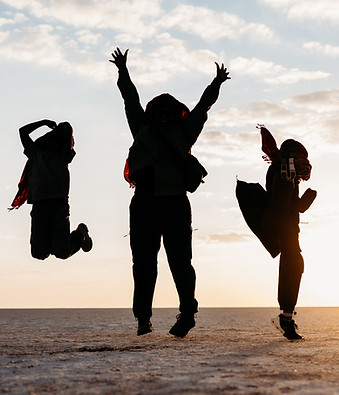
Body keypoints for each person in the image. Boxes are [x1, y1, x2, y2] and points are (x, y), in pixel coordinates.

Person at [110, 47, 230, 337]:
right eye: (160, 111)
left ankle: (175, 315)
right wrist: (122, 71)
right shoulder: (159, 129)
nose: (163, 115)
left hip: (164, 204)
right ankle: (154, 317)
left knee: (165, 264)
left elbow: (201, 109)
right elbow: (131, 99)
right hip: (156, 204)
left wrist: (216, 84)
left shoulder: (165, 130)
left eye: (166, 111)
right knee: (155, 264)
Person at [236, 126, 317, 340]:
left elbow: (295, 206)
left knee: (295, 264)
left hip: (286, 224)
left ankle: (287, 316)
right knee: (293, 263)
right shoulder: (281, 170)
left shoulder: (288, 173)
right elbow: (280, 199)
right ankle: (286, 318)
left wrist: (307, 198)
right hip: (278, 222)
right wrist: (287, 178)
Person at [10, 119, 92, 260]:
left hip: (58, 204)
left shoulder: (63, 153)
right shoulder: (35, 152)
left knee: (62, 251)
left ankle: (80, 233)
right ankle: (60, 241)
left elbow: (66, 128)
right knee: (38, 253)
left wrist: (57, 128)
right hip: (39, 205)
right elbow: (22, 132)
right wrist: (43, 122)